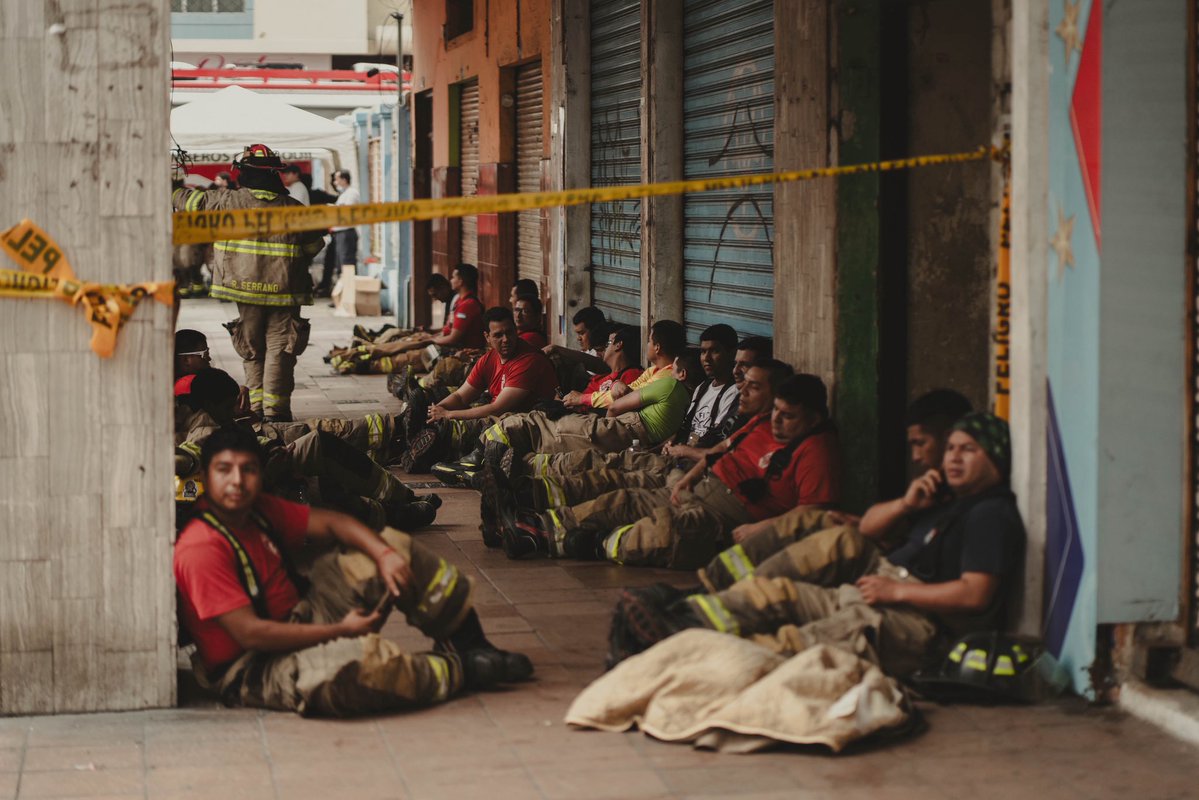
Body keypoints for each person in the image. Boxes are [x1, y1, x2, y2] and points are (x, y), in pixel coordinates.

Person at [611, 412, 1026, 679]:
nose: (953, 459)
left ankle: (685, 655)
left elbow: (976, 594)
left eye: (968, 451)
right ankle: (684, 618)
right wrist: (907, 502)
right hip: (885, 588)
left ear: (995, 459)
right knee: (777, 593)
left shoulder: (990, 514)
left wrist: (898, 590)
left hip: (920, 623)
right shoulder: (950, 500)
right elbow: (870, 529)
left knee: (800, 645)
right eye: (951, 449)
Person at [175, 427, 533, 716]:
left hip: (302, 614)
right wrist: (340, 630)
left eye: (247, 470)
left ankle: (469, 643)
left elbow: (332, 524)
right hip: (253, 667)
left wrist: (384, 554)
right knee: (351, 672)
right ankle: (461, 670)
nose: (237, 482)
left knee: (396, 547)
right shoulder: (201, 547)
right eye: (224, 470)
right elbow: (251, 635)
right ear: (207, 476)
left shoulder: (257, 508)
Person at [495, 373, 841, 569]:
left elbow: (814, 511)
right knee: (623, 499)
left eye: (789, 416)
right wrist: (688, 480)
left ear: (813, 417)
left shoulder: (817, 450)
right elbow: (719, 451)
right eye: (777, 411)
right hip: (697, 486)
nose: (777, 421)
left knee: (663, 532)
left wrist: (759, 528)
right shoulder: (761, 423)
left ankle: (593, 543)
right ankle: (536, 529)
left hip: (729, 514)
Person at [491, 358, 793, 518]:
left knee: (619, 487)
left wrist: (684, 457)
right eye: (741, 373)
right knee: (607, 467)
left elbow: (716, 454)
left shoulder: (672, 387)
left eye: (752, 381)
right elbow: (718, 452)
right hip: (681, 468)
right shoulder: (749, 422)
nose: (742, 385)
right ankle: (523, 483)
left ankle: (534, 515)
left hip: (694, 480)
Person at [175, 368, 439, 531]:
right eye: (228, 406)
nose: (234, 411)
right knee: (325, 484)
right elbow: (187, 458)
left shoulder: (223, 422)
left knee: (321, 451)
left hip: (270, 476)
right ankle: (396, 511)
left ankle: (400, 499)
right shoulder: (203, 432)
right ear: (210, 404)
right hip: (259, 499)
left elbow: (251, 444)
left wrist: (272, 450)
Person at [173, 145, 325, 422]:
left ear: (244, 173)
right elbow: (314, 246)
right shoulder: (294, 208)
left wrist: (171, 185)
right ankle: (276, 412)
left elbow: (191, 202)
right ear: (275, 173)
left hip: (244, 292)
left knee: (252, 350)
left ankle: (254, 411)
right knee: (281, 349)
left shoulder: (227, 200)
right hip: (285, 292)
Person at [475, 320, 689, 462]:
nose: (647, 345)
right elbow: (625, 394)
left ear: (658, 347)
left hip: (620, 427)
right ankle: (482, 452)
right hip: (610, 422)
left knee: (540, 429)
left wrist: (600, 411)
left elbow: (618, 403)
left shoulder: (665, 381)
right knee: (540, 425)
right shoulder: (654, 372)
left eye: (650, 340)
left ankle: (483, 457)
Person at [397, 307, 559, 472]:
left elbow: (498, 408)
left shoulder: (528, 360)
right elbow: (461, 396)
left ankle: (423, 451)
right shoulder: (488, 359)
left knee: (454, 428)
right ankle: (408, 443)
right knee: (433, 419)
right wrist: (436, 410)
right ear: (487, 337)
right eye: (498, 335)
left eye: (510, 332)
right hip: (498, 416)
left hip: (523, 422)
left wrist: (448, 414)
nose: (506, 339)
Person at [333, 264, 486, 376]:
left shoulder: (468, 305)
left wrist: (431, 339)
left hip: (455, 351)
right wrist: (430, 336)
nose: (451, 280)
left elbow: (454, 338)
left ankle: (361, 363)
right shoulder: (460, 302)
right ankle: (356, 353)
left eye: (454, 277)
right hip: (444, 344)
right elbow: (449, 331)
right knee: (403, 343)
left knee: (409, 356)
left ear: (462, 281)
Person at [315, 170, 361, 295]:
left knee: (347, 265)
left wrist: (333, 209)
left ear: (344, 180)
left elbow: (346, 212)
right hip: (339, 233)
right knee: (340, 266)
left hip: (346, 233)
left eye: (337, 179)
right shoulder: (344, 194)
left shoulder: (351, 193)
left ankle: (349, 297)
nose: (335, 182)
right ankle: (343, 296)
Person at [543, 306, 610, 390]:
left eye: (581, 333)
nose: (578, 338)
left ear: (594, 330)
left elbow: (599, 365)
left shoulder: (609, 351)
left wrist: (557, 349)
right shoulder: (589, 351)